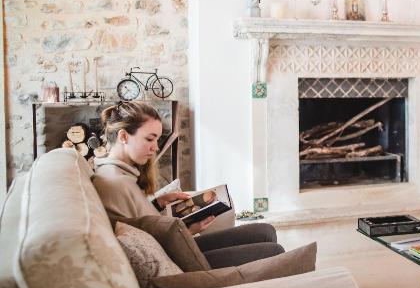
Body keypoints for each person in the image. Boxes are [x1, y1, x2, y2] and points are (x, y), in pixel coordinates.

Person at [93, 100, 284, 268]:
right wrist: (189, 230)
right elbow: (145, 246)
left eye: (157, 139)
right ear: (123, 136)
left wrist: (158, 203)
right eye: (150, 139)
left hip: (177, 247)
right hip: (176, 260)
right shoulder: (115, 183)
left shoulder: (122, 175)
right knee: (273, 251)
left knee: (265, 230)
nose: (156, 147)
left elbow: (139, 222)